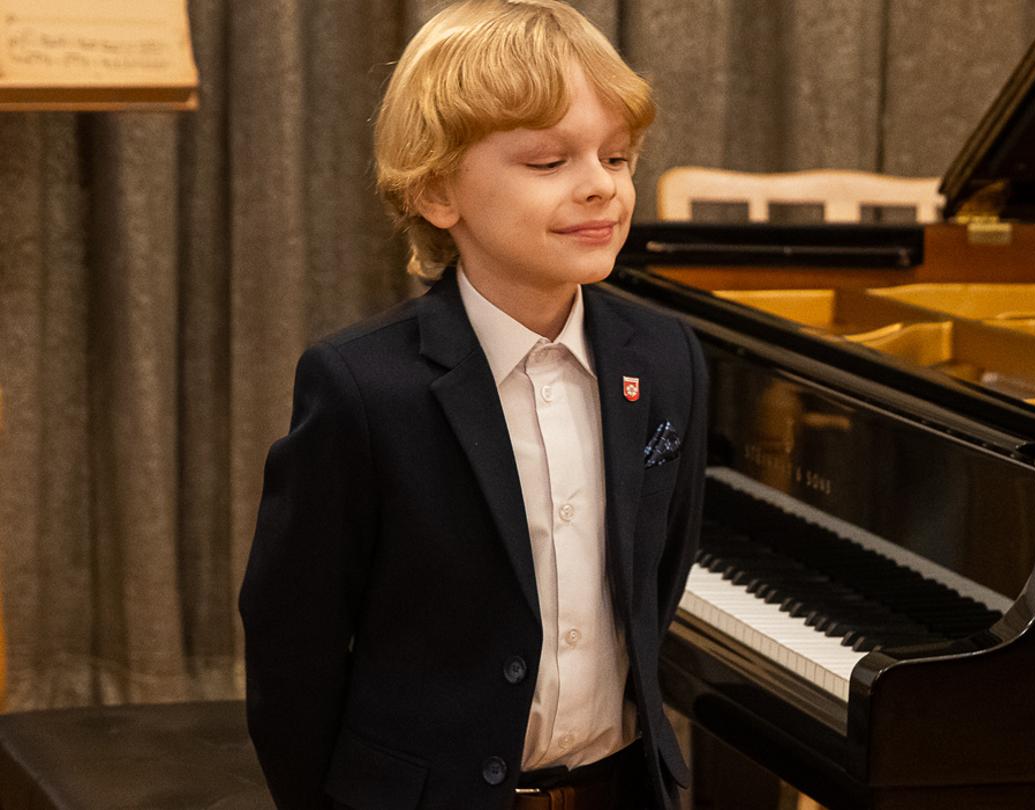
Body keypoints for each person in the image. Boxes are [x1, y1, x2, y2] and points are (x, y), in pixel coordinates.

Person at [239, 2, 705, 807]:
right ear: (436, 191)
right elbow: (294, 641)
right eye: (548, 162)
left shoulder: (668, 358)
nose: (600, 186)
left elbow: (659, 579)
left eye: (618, 157)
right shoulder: (361, 386)